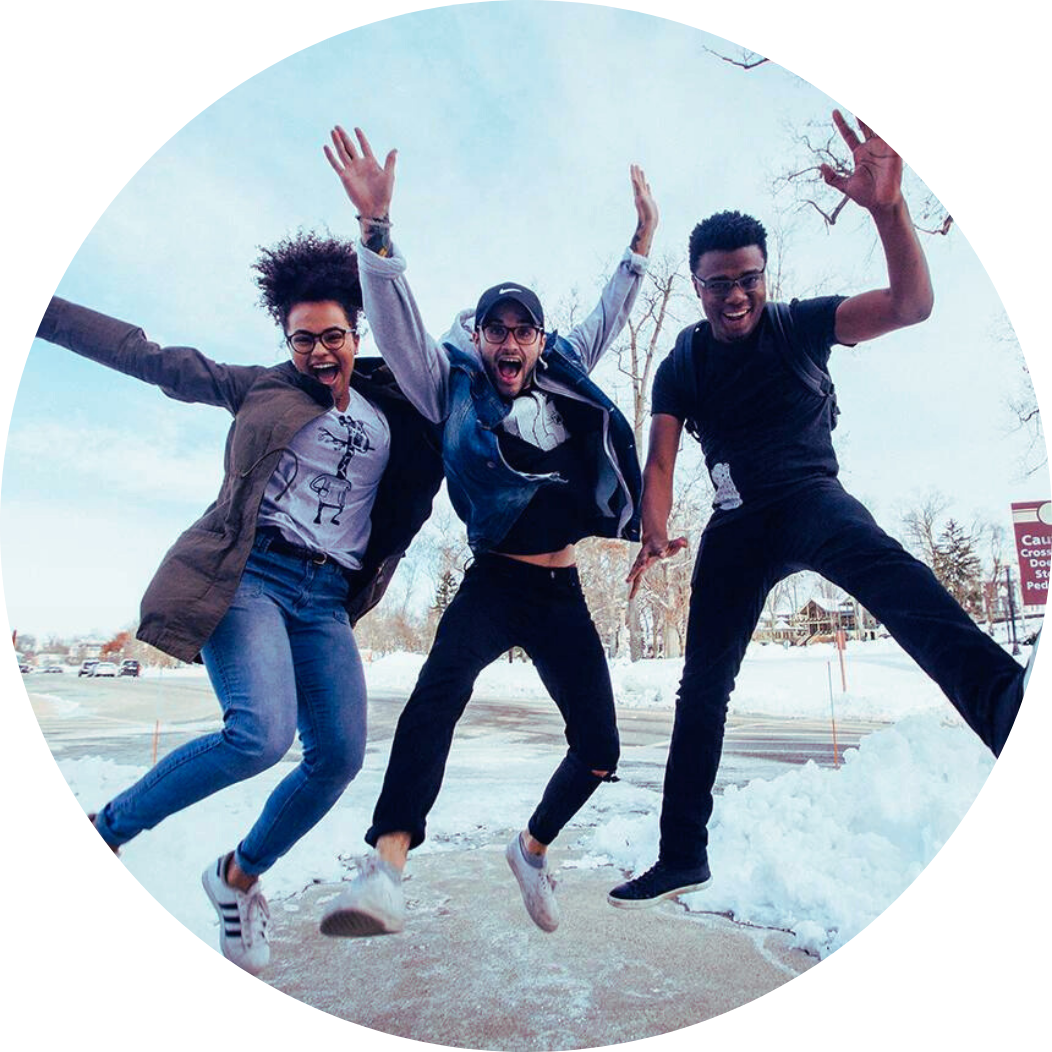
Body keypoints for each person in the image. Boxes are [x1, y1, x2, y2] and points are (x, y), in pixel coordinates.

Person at [608, 112, 1029, 909]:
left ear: (765, 275)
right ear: (696, 286)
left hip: (811, 499)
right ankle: (680, 852)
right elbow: (659, 454)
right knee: (702, 689)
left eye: (748, 278)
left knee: (902, 586)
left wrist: (887, 210)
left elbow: (910, 306)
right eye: (719, 282)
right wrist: (655, 526)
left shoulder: (800, 324)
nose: (736, 295)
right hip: (737, 527)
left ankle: (1004, 707)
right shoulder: (684, 361)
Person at [35, 233, 443, 972]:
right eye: (302, 339)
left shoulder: (400, 405)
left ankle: (236, 877)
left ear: (357, 332)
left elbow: (453, 376)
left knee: (340, 757)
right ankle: (110, 827)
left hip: (325, 598)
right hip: (249, 575)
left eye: (333, 336)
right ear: (285, 340)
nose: (319, 352)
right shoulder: (260, 386)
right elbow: (145, 354)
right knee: (260, 735)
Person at [315, 126, 657, 935]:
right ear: (480, 339)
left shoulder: (565, 367)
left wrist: (641, 243)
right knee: (436, 698)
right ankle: (387, 866)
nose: (509, 342)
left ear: (538, 340)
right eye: (496, 330)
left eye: (521, 331)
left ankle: (531, 849)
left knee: (601, 748)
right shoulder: (450, 387)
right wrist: (377, 236)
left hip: (561, 585)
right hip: (496, 579)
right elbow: (397, 329)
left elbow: (611, 312)